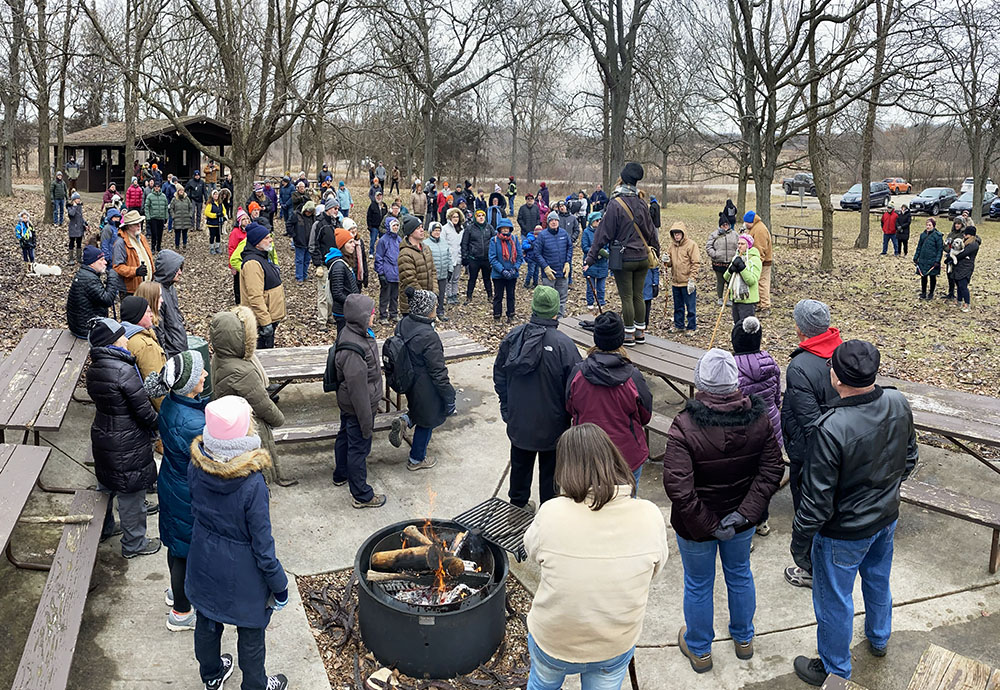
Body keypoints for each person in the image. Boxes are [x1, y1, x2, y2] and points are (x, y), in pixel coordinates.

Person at [790, 341, 917, 686]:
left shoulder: (830, 428)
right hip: (885, 518)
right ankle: (879, 637)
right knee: (878, 579)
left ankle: (835, 670)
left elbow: (815, 502)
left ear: (838, 379)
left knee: (834, 601)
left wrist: (800, 545)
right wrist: (884, 490)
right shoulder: (898, 401)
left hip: (843, 534)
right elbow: (910, 459)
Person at [664, 348, 784, 674]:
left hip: (698, 528)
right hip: (735, 523)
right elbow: (771, 471)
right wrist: (744, 515)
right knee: (739, 574)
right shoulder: (759, 419)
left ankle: (701, 649)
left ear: (701, 382)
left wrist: (714, 522)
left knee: (699, 584)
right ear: (735, 381)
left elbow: (679, 489)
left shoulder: (685, 424)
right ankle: (743, 639)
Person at [523, 423, 667, 690]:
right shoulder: (649, 514)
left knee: (541, 684)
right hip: (614, 642)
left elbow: (531, 552)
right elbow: (656, 570)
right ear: (613, 458)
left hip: (553, 639)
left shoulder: (551, 512)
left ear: (564, 467)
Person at [186, 396, 289, 690]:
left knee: (206, 621)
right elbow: (263, 545)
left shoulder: (196, 464)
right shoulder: (252, 484)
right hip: (244, 573)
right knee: (251, 633)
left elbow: (191, 507)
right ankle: (255, 685)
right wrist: (278, 584)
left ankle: (212, 674)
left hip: (204, 559)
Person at [493, 286, 581, 510]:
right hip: (553, 426)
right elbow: (576, 388)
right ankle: (548, 512)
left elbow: (499, 375)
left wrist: (507, 406)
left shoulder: (513, 337)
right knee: (551, 473)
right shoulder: (565, 346)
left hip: (520, 421)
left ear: (533, 308)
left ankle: (517, 508)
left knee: (520, 464)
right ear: (555, 311)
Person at [143, 350, 208, 632]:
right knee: (183, 550)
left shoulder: (171, 403)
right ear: (188, 384)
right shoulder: (193, 423)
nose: (205, 375)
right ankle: (181, 612)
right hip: (186, 491)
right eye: (200, 374)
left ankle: (176, 590)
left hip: (171, 481)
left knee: (175, 544)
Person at [781, 299, 843, 588]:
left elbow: (810, 423)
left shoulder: (800, 366)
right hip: (840, 447)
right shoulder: (842, 350)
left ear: (800, 329)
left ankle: (811, 568)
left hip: (810, 454)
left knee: (808, 510)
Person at [86, 317, 160, 558]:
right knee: (131, 494)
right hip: (127, 442)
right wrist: (160, 426)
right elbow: (144, 411)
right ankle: (134, 544)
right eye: (122, 336)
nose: (127, 339)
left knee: (106, 485)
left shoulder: (95, 368)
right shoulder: (124, 370)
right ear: (113, 343)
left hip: (103, 435)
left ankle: (105, 528)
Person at [566, 313, 652, 485]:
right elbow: (645, 415)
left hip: (587, 455)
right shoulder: (633, 377)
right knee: (627, 508)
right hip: (626, 456)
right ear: (620, 339)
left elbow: (569, 407)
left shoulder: (578, 373)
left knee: (589, 506)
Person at [585, 163, 660, 344]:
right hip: (642, 257)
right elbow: (652, 232)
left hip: (624, 258)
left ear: (622, 180)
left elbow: (602, 234)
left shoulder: (615, 204)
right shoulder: (642, 203)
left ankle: (628, 335)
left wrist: (590, 258)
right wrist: (656, 250)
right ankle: (640, 333)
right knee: (638, 296)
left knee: (626, 297)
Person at [388, 287, 455, 471]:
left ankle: (405, 421)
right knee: (428, 419)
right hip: (425, 384)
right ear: (427, 310)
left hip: (407, 379)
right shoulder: (429, 336)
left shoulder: (403, 323)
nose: (436, 308)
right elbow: (438, 372)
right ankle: (417, 459)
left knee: (418, 407)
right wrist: (449, 396)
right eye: (434, 305)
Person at [330, 293, 386, 508]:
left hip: (349, 404)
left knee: (345, 436)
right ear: (361, 316)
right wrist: (366, 424)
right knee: (358, 448)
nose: (374, 316)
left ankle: (340, 474)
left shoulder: (354, 331)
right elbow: (358, 391)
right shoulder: (354, 348)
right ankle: (362, 495)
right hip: (359, 407)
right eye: (371, 313)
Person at [731, 316, 782, 447]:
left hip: (743, 429)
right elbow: (777, 398)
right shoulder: (770, 362)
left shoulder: (731, 369)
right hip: (771, 425)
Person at [240, 224, 285, 350]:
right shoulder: (252, 264)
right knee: (262, 355)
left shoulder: (261, 257)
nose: (270, 239)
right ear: (256, 242)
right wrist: (265, 323)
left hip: (268, 319)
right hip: (260, 323)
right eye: (266, 237)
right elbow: (255, 297)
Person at [122, 293, 167, 410]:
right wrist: (166, 412)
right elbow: (155, 387)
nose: (152, 315)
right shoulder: (145, 346)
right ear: (137, 316)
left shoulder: (124, 335)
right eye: (148, 312)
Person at [67, 245, 118, 338]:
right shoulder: (89, 279)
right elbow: (107, 300)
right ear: (92, 263)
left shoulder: (84, 274)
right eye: (101, 260)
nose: (105, 262)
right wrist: (113, 279)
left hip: (78, 326)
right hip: (86, 331)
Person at [535, 212, 573, 319]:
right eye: (551, 220)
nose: (554, 222)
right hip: (549, 273)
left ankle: (560, 319)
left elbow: (570, 248)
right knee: (549, 298)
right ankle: (548, 319)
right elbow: (537, 253)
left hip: (562, 272)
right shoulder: (542, 235)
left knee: (562, 297)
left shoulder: (564, 234)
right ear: (548, 222)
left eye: (556, 220)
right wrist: (545, 267)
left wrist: (567, 262)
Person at [664, 221, 701, 332]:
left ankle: (691, 327)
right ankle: (679, 325)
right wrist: (667, 260)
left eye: (678, 233)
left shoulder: (691, 245)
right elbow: (669, 264)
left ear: (683, 233)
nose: (677, 236)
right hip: (676, 281)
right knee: (678, 306)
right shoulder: (672, 246)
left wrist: (692, 279)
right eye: (675, 234)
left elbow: (696, 263)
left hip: (687, 281)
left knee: (690, 307)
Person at [151, 250, 188, 358]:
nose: (180, 272)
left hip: (179, 346)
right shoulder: (157, 292)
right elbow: (158, 330)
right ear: (168, 270)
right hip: (172, 353)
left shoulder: (170, 288)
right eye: (177, 269)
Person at [397, 216, 437, 316]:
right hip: (412, 305)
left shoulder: (426, 248)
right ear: (410, 232)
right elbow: (410, 280)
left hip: (428, 302)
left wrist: (434, 293)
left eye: (422, 227)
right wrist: (426, 299)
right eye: (418, 228)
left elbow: (433, 271)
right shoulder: (405, 254)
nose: (422, 230)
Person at [325, 225, 362, 333]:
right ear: (342, 245)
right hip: (343, 312)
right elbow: (337, 293)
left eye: (353, 241)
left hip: (348, 309)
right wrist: (354, 302)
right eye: (350, 242)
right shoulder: (338, 265)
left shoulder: (344, 261)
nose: (354, 245)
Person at [113, 210, 155, 296]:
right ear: (128, 226)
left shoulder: (142, 238)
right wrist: (135, 271)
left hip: (146, 287)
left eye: (139, 222)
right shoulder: (120, 243)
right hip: (131, 290)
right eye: (135, 224)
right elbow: (118, 267)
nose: (139, 225)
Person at [722, 234, 762, 324]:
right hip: (736, 298)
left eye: (742, 244)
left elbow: (752, 280)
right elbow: (726, 277)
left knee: (746, 327)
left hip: (748, 300)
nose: (739, 246)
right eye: (738, 243)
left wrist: (742, 268)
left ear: (748, 245)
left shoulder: (755, 260)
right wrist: (731, 270)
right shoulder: (736, 257)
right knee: (737, 325)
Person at [489, 218, 522, 322]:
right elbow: (492, 258)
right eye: (503, 228)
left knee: (511, 295)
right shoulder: (494, 240)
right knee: (498, 296)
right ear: (499, 229)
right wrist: (502, 270)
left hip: (512, 273)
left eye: (507, 228)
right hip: (498, 274)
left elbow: (520, 257)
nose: (505, 230)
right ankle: (497, 315)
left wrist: (515, 268)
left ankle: (511, 314)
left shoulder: (515, 239)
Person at [463, 208, 496, 303]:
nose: (481, 218)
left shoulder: (489, 228)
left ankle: (490, 296)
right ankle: (469, 296)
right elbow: (465, 243)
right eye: (479, 216)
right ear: (475, 217)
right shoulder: (470, 228)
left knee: (487, 278)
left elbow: (494, 241)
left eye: (482, 216)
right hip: (474, 258)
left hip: (486, 258)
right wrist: (465, 256)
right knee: (472, 278)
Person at [742, 211, 773, 313]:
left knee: (762, 283)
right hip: (758, 260)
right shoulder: (754, 228)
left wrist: (757, 262)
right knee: (758, 283)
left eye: (747, 223)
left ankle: (765, 306)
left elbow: (760, 248)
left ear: (751, 221)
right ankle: (759, 303)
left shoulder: (760, 230)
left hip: (762, 262)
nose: (745, 225)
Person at [707, 215, 739, 305]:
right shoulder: (714, 235)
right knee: (720, 281)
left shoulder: (735, 234)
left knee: (731, 282)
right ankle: (720, 298)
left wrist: (736, 256)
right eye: (723, 225)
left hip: (731, 263)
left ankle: (730, 298)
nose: (725, 226)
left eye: (727, 224)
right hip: (718, 263)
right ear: (720, 225)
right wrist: (715, 255)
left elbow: (739, 245)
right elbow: (709, 246)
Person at [374, 216, 402, 323]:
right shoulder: (383, 240)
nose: (395, 228)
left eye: (396, 226)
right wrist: (380, 273)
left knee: (395, 295)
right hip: (387, 272)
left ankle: (393, 313)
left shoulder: (399, 240)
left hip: (397, 272)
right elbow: (379, 257)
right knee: (385, 295)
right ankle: (383, 315)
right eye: (393, 225)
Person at [423, 222, 451, 321]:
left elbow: (449, 256)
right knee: (432, 294)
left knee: (442, 294)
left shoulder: (444, 242)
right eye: (435, 230)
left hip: (443, 273)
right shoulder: (425, 243)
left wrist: (450, 269)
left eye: (439, 230)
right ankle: (430, 313)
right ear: (431, 231)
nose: (437, 232)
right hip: (432, 275)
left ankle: (440, 312)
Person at [581, 212, 608, 311]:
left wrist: (605, 253)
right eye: (597, 220)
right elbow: (584, 247)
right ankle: (590, 302)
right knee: (590, 286)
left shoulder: (604, 232)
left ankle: (601, 302)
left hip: (602, 263)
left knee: (601, 287)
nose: (599, 222)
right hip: (590, 263)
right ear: (592, 222)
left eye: (600, 220)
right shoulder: (586, 232)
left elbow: (608, 246)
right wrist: (596, 253)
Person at [913, 217, 943, 300]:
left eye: (930, 225)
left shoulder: (938, 236)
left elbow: (940, 249)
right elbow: (919, 247)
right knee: (923, 276)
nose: (928, 227)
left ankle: (931, 293)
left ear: (933, 226)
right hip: (923, 259)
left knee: (932, 277)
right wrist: (916, 257)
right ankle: (923, 292)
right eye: (927, 225)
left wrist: (937, 261)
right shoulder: (923, 235)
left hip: (933, 260)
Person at [952, 226, 979, 313]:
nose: (964, 235)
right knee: (959, 284)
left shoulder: (974, 244)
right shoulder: (965, 242)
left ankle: (967, 304)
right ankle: (959, 301)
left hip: (967, 267)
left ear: (971, 235)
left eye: (966, 234)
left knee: (963, 286)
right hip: (959, 266)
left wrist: (952, 257)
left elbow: (963, 254)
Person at [442, 208, 465, 305]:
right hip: (449, 257)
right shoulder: (445, 228)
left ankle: (455, 294)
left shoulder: (462, 229)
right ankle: (449, 295)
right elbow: (443, 243)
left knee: (456, 277)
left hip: (458, 256)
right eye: (453, 217)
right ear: (450, 218)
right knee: (449, 278)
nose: (455, 219)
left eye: (457, 217)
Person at [228, 208, 250, 303]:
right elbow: (231, 249)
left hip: (248, 260)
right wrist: (232, 266)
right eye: (244, 219)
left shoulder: (250, 231)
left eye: (247, 219)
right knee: (238, 283)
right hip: (238, 261)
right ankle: (238, 301)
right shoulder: (235, 233)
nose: (247, 221)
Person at [941, 217, 965, 300]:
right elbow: (946, 246)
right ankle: (951, 293)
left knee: (957, 277)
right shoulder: (951, 234)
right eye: (955, 223)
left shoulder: (963, 235)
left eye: (959, 224)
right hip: (950, 256)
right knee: (949, 275)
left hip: (959, 258)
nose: (957, 225)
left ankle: (960, 294)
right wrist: (947, 248)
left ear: (962, 225)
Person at [142, 181, 169, 253]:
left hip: (161, 217)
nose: (157, 188)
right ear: (154, 187)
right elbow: (146, 207)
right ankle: (153, 247)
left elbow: (166, 207)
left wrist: (166, 216)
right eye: (155, 187)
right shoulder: (150, 196)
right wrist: (148, 217)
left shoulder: (163, 196)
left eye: (158, 187)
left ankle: (159, 247)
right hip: (153, 217)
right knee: (154, 233)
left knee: (160, 234)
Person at [169, 185, 194, 250]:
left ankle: (184, 245)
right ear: (178, 191)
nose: (181, 192)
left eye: (182, 190)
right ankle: (177, 246)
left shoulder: (187, 199)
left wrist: (190, 215)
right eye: (180, 190)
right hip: (177, 219)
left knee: (185, 234)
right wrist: (173, 216)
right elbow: (171, 208)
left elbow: (191, 208)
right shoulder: (174, 199)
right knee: (177, 234)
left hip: (186, 218)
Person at [66, 192, 88, 265]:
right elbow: (71, 214)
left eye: (79, 198)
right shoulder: (70, 207)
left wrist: (85, 224)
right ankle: (71, 258)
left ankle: (79, 257)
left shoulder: (80, 206)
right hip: (73, 227)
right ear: (73, 200)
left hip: (80, 227)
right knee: (72, 243)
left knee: (79, 243)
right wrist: (75, 207)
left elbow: (80, 217)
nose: (78, 200)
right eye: (77, 199)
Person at [204, 189, 228, 255]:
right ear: (212, 196)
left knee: (218, 235)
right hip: (211, 223)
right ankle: (211, 248)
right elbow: (207, 213)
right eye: (214, 194)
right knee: (212, 235)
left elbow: (224, 210)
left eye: (217, 194)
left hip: (219, 223)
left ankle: (217, 247)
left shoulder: (220, 203)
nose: (216, 196)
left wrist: (222, 214)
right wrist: (215, 215)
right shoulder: (210, 203)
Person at [521, 224, 542, 290]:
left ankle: (535, 283)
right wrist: (530, 246)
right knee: (531, 271)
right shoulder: (530, 239)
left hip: (537, 258)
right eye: (536, 235)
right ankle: (526, 283)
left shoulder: (541, 240)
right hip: (531, 258)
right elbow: (523, 245)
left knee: (536, 272)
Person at [367, 191, 387, 256]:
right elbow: (368, 216)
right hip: (374, 226)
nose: (379, 197)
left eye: (380, 196)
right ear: (375, 197)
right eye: (378, 196)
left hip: (382, 226)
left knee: (382, 240)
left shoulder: (384, 205)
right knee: (373, 240)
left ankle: (382, 252)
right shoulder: (372, 205)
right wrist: (369, 226)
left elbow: (387, 215)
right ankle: (371, 252)